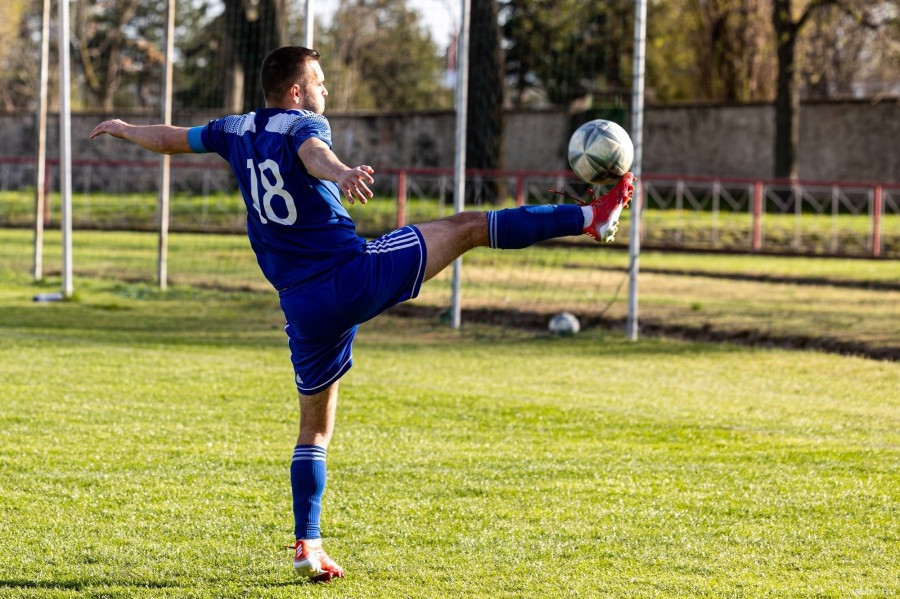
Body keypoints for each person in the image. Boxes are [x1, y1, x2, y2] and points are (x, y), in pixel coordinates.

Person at [90, 46, 634, 583]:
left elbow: (170, 138)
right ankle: (591, 216)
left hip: (301, 306)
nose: (326, 91)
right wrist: (344, 172)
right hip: (350, 276)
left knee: (313, 430)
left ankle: (309, 543)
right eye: (320, 81)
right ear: (296, 91)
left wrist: (122, 127)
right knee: (467, 227)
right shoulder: (303, 123)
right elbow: (312, 155)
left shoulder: (234, 128)